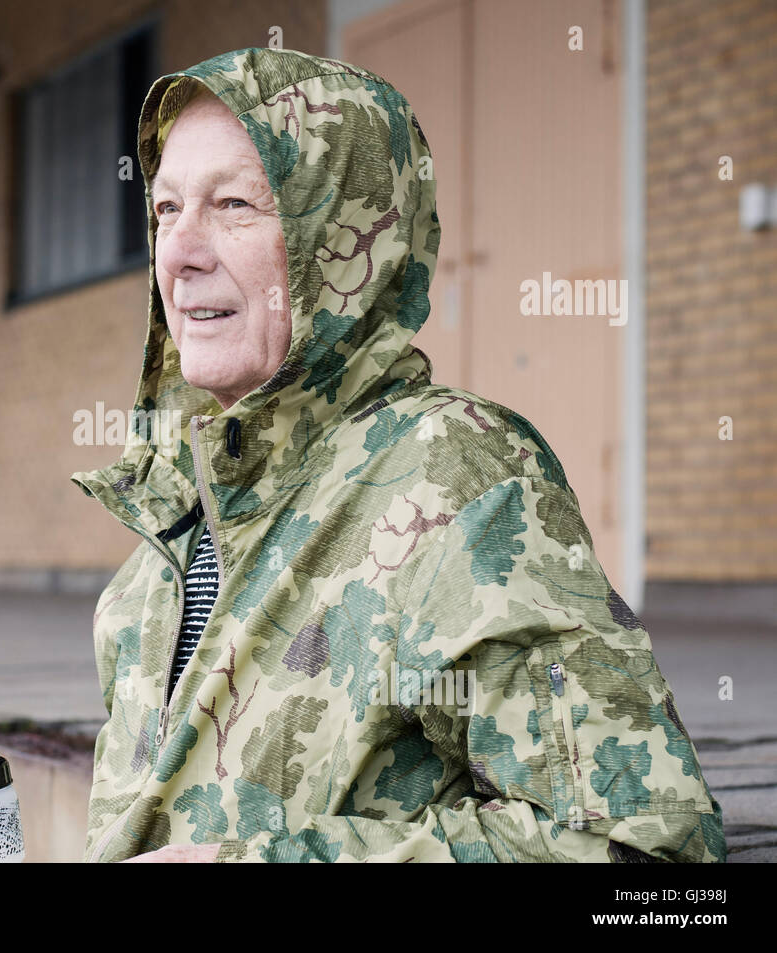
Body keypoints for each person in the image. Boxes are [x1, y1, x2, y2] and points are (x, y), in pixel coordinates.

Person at [70, 47, 726, 863]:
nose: (180, 252)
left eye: (234, 203)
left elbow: (650, 852)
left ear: (344, 238)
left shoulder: (457, 473)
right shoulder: (155, 557)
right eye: (166, 209)